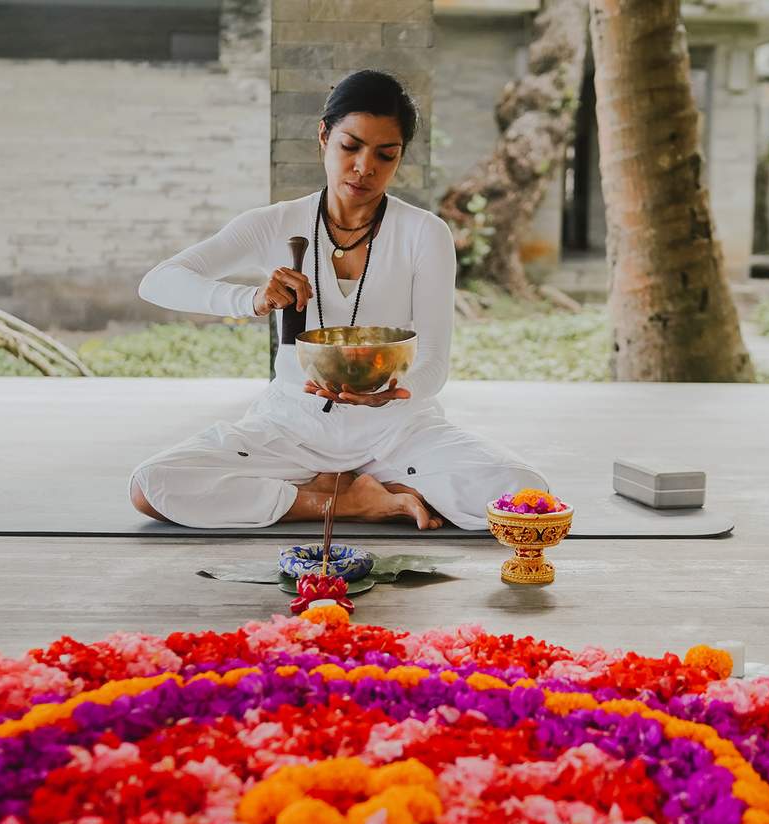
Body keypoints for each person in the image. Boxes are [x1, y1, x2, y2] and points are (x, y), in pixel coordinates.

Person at [130, 69, 548, 531]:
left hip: (394, 429)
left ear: (400, 156)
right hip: (292, 426)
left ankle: (335, 488)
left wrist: (393, 393)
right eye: (350, 147)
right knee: (154, 484)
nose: (364, 168)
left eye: (385, 155)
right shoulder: (274, 223)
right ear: (324, 136)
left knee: (524, 491)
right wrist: (252, 299)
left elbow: (433, 364)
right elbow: (160, 281)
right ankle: (351, 501)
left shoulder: (424, 233)